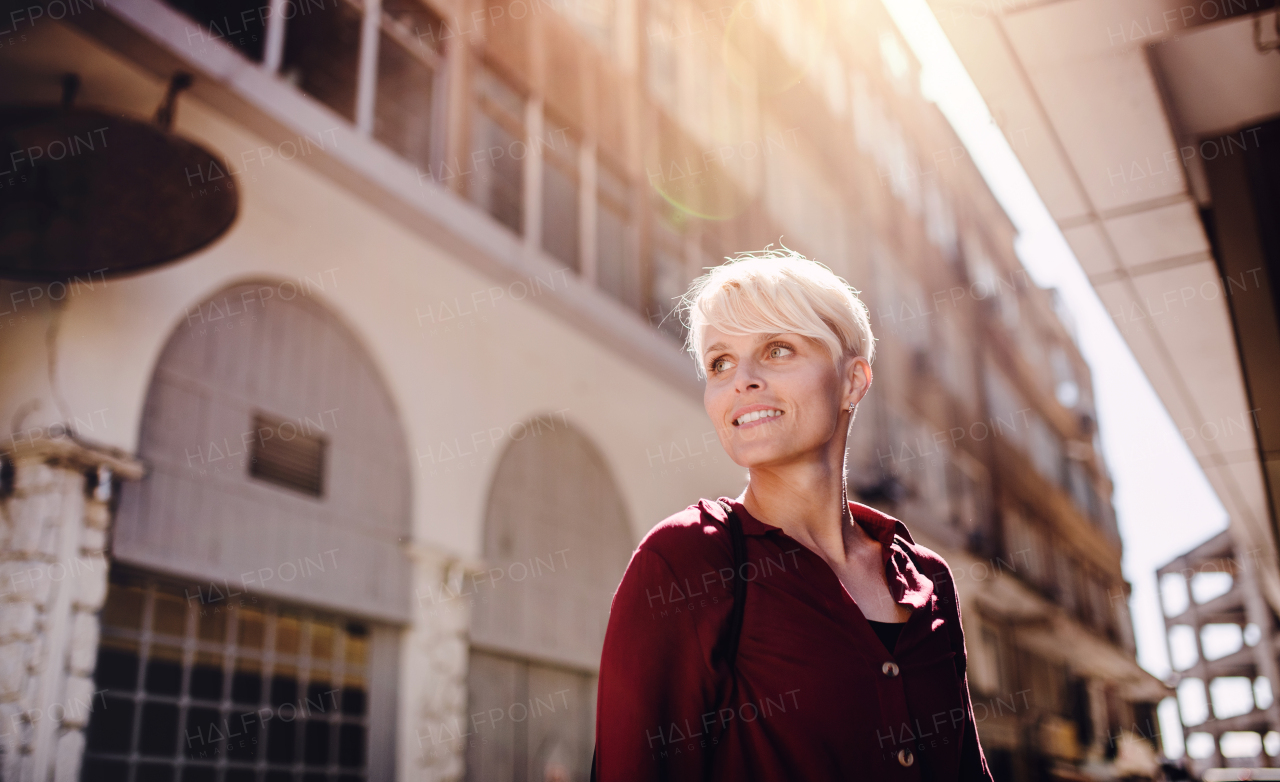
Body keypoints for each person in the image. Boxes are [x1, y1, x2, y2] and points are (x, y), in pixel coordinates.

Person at [593, 249, 994, 781]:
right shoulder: (685, 560)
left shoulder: (929, 579)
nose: (743, 380)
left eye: (777, 349)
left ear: (852, 382)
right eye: (720, 362)